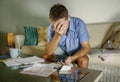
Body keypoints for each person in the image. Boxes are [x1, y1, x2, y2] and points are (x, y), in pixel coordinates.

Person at [44, 3, 90, 69]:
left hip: (77, 52)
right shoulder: (51, 27)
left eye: (61, 24)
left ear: (68, 18)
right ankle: (57, 78)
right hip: (61, 53)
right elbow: (48, 52)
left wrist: (72, 58)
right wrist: (58, 35)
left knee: (83, 61)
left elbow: (86, 47)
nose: (58, 27)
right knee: (46, 57)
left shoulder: (79, 23)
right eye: (55, 25)